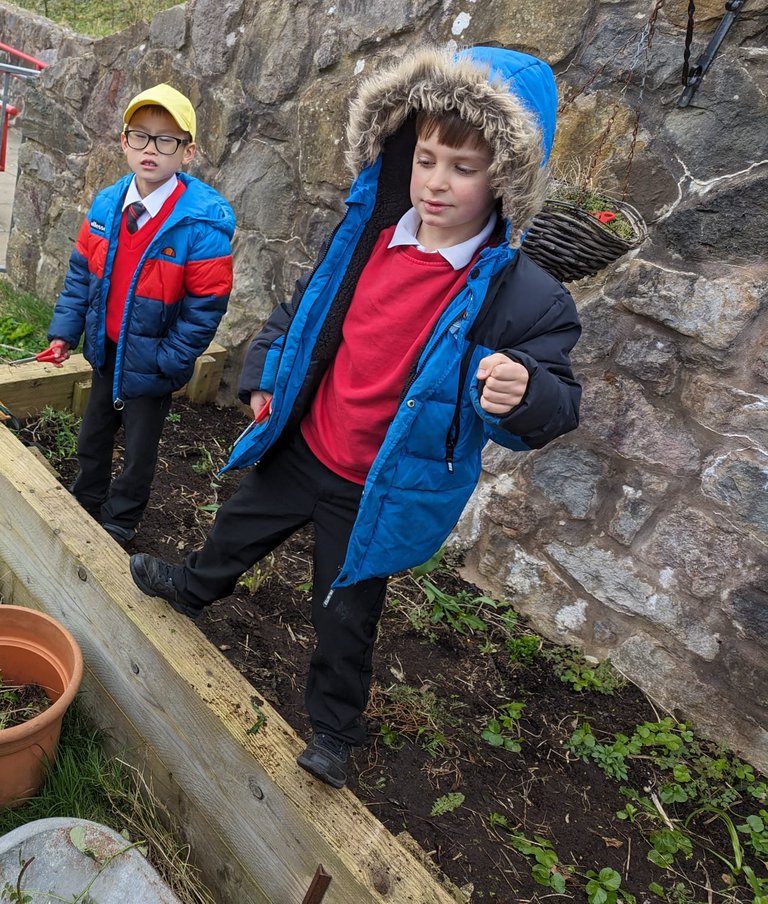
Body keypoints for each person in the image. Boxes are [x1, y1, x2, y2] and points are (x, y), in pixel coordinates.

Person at [129, 46, 582, 790]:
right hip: (307, 444)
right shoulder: (367, 239)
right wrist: (266, 379)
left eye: (463, 169)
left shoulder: (523, 298)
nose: (437, 182)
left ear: (505, 176)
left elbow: (556, 402)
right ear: (402, 150)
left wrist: (524, 391)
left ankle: (336, 728)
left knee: (344, 614)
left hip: (376, 486)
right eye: (426, 158)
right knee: (238, 526)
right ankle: (195, 587)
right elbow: (300, 315)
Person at [38, 83, 235, 547]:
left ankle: (120, 521)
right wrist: (66, 331)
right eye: (141, 137)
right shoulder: (108, 204)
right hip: (106, 349)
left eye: (167, 140)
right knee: (94, 433)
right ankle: (86, 499)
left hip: (151, 361)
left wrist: (170, 359)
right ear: (124, 142)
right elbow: (81, 274)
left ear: (188, 152)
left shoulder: (200, 224)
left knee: (139, 451)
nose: (152, 150)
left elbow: (206, 307)